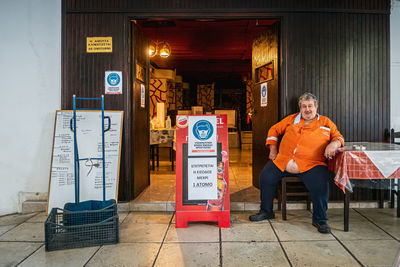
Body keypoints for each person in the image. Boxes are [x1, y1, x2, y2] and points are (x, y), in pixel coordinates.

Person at [249, 92, 344, 234]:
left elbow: (338, 136)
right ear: (300, 108)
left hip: (312, 163)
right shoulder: (291, 119)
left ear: (316, 106)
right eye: (304, 106)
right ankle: (266, 211)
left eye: (310, 106)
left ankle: (320, 219)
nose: (307, 109)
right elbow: (274, 130)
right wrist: (273, 149)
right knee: (265, 177)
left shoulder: (326, 122)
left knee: (320, 185)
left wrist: (334, 144)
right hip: (283, 160)